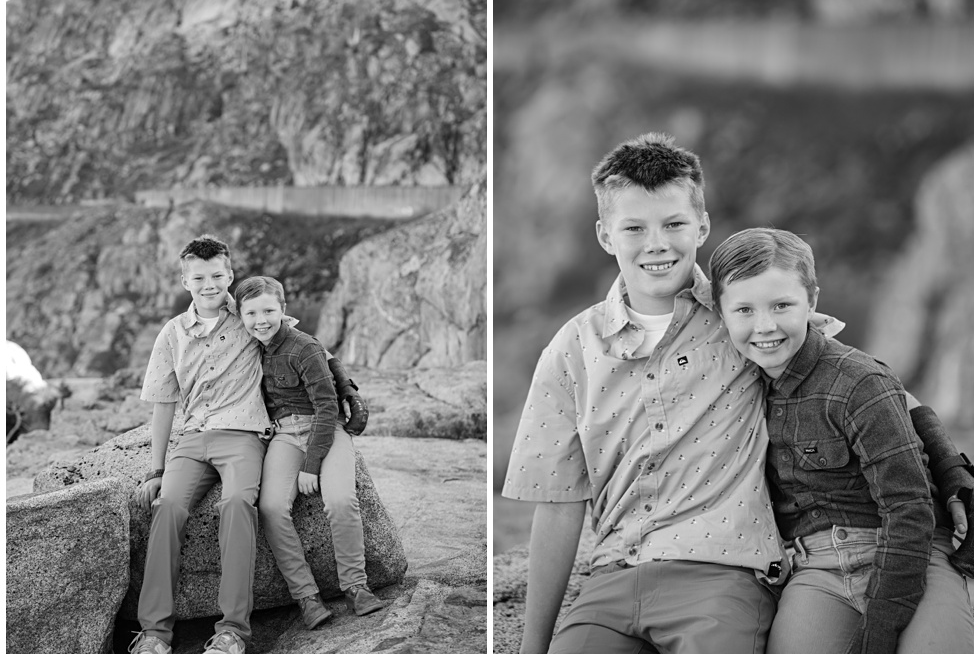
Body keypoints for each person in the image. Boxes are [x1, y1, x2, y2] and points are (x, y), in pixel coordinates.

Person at [501, 132, 972, 654]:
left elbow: (870, 384)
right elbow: (558, 501)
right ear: (605, 235)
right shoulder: (572, 349)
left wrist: (953, 473)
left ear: (701, 225)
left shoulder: (744, 319)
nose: (656, 243)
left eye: (674, 224)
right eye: (634, 227)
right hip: (618, 571)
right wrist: (531, 648)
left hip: (725, 572)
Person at [709, 227, 974, 653]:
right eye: (744, 310)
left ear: (811, 301)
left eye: (782, 305)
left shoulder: (855, 380)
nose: (765, 326)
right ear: (719, 313)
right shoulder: (730, 380)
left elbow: (908, 508)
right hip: (818, 566)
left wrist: (880, 630)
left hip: (910, 549)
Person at [129, 235, 270, 655]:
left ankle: (232, 632)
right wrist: (157, 470)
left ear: (230, 274)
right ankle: (154, 633)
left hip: (243, 436)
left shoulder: (249, 317)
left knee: (237, 505)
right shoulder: (172, 333)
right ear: (186, 280)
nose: (209, 284)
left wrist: (340, 385)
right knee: (168, 507)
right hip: (191, 440)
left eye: (217, 275)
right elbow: (163, 404)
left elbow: (296, 340)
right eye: (199, 277)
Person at [234, 275, 384, 630]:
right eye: (252, 313)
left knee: (341, 501)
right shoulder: (250, 345)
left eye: (269, 310)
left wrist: (311, 466)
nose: (261, 320)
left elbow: (328, 406)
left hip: (324, 427)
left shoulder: (304, 347)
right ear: (240, 316)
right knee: (270, 508)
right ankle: (306, 597)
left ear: (284, 311)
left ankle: (356, 587)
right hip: (285, 434)